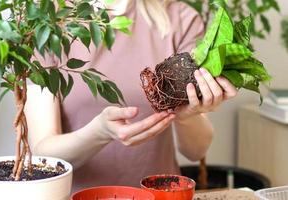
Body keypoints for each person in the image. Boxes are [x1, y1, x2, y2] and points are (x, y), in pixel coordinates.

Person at [25, 0, 237, 192]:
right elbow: (44, 153)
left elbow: (196, 150)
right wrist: (99, 133)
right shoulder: (48, 21)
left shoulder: (179, 19)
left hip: (158, 195)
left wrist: (186, 116)